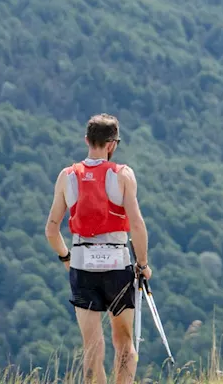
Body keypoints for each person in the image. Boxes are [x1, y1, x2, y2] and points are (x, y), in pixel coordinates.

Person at [45, 114, 151, 384]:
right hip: (117, 266)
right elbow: (137, 226)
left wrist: (66, 257)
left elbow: (52, 229)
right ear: (112, 144)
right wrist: (142, 264)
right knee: (124, 342)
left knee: (92, 346)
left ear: (86, 140)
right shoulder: (123, 175)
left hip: (82, 265)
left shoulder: (67, 177)